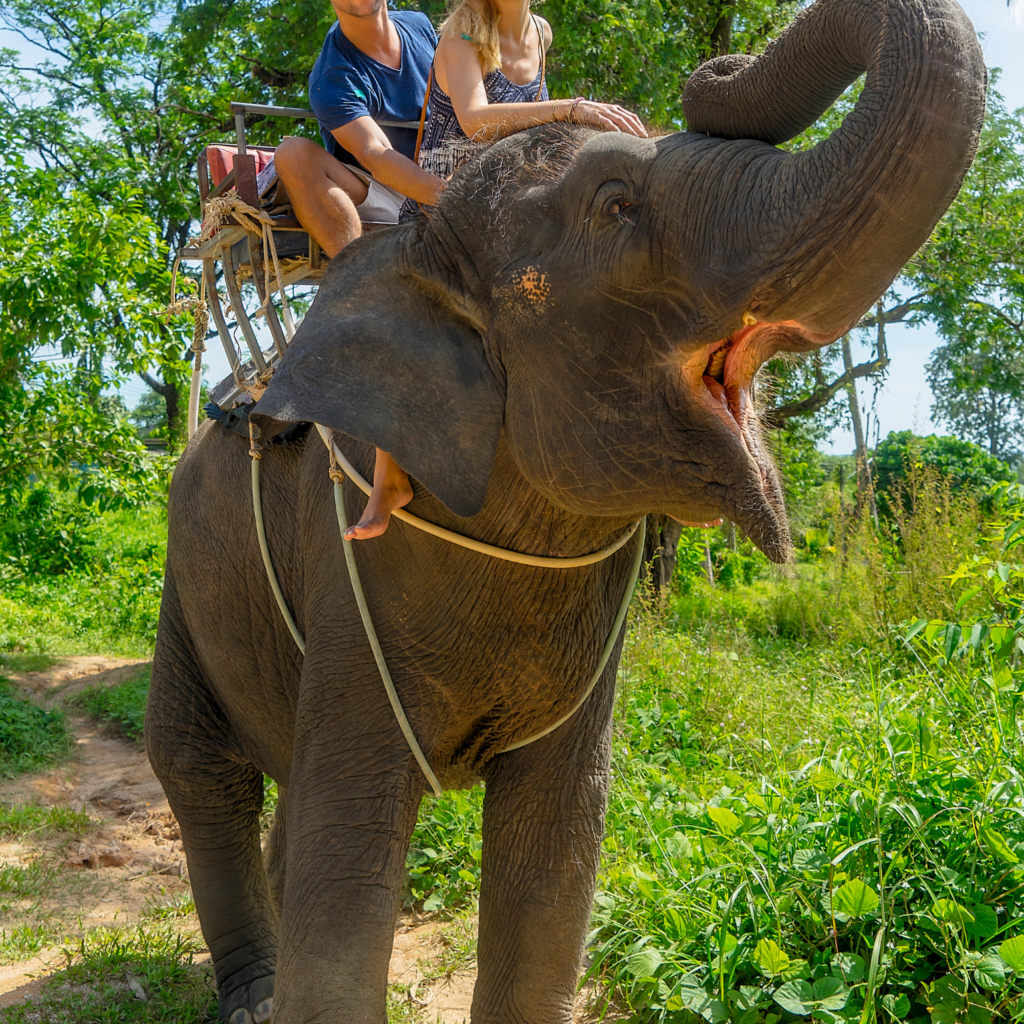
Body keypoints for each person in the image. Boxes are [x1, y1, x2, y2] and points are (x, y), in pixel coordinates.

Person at [351, 0, 648, 541]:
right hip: (448, 211)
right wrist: (575, 109)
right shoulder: (463, 33)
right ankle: (387, 478)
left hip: (512, 209)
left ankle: (650, 454)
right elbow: (474, 120)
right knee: (407, 322)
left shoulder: (540, 33)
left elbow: (532, 139)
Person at [271, 0, 443, 542]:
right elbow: (373, 151)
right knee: (294, 154)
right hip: (383, 185)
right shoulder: (334, 74)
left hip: (445, 172)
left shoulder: (421, 27)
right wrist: (454, 199)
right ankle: (358, 280)